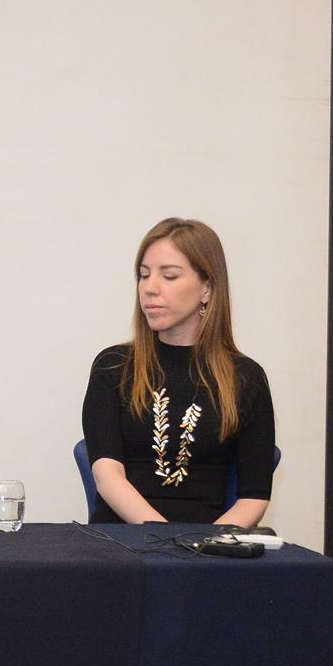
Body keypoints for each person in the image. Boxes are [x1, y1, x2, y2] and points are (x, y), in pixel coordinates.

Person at [81, 218, 276, 525]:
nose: (150, 288)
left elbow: (254, 497)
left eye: (169, 276)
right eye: (144, 275)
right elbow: (108, 476)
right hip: (120, 540)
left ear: (207, 288)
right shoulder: (113, 366)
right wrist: (167, 539)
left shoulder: (246, 378)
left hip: (206, 543)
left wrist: (207, 545)